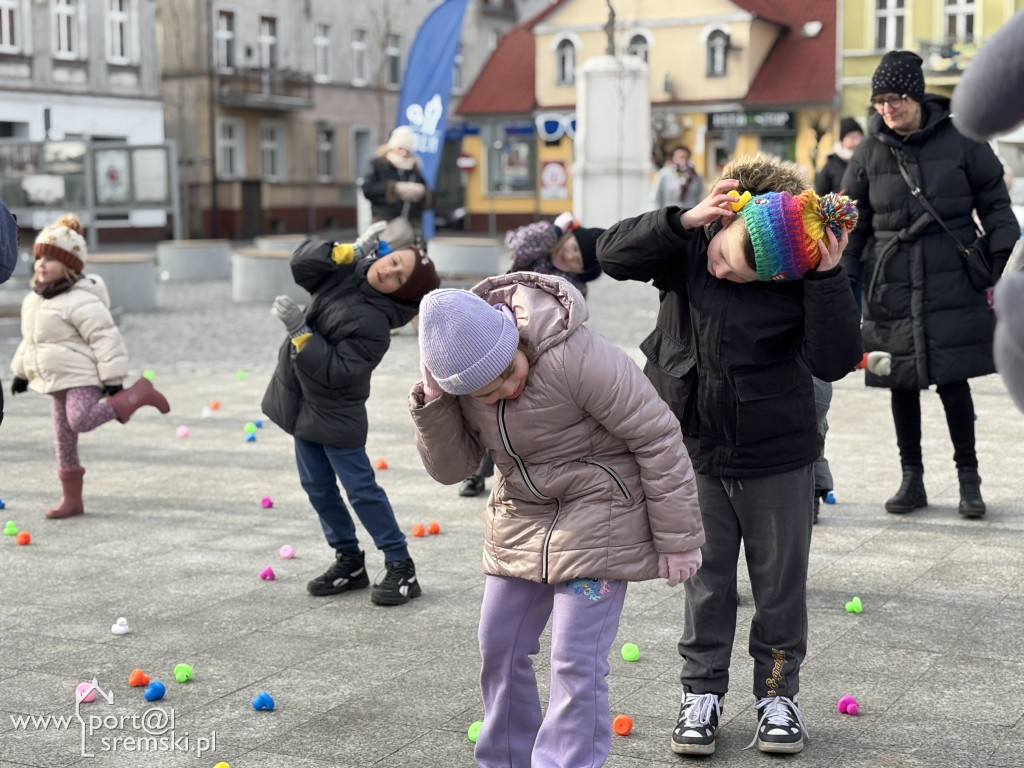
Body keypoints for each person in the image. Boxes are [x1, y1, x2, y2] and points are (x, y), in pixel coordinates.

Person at [597, 154, 862, 756]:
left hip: (777, 456)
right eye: (724, 258)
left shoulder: (800, 272)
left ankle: (776, 695)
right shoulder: (693, 245)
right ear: (725, 221)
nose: (723, 274)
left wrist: (825, 280)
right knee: (706, 584)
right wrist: (683, 220)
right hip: (694, 450)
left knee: (778, 588)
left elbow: (835, 359)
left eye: (743, 275)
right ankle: (701, 694)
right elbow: (611, 255)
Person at [409, 274, 705, 768]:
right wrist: (436, 404)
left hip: (599, 515)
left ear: (513, 337)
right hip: (521, 518)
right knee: (499, 646)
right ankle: (503, 759)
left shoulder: (576, 355)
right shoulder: (458, 387)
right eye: (489, 392)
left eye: (509, 370)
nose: (509, 387)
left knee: (574, 660)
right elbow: (453, 470)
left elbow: (657, 436)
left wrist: (678, 538)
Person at [840, 50, 1020, 518]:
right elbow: (850, 226)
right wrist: (841, 284)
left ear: (916, 96)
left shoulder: (963, 137)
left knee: (953, 380)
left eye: (894, 98)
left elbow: (997, 206)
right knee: (899, 381)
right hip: (891, 281)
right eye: (878, 101)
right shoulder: (869, 151)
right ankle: (911, 479)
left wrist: (1003, 263)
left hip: (950, 276)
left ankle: (969, 480)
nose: (886, 109)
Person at [261, 225, 440, 606]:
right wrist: (348, 252)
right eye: (393, 261)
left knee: (360, 490)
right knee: (318, 488)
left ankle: (400, 565)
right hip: (303, 404)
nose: (389, 271)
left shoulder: (376, 326)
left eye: (400, 277)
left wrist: (300, 331)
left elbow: (338, 370)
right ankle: (349, 561)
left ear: (404, 293)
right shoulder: (349, 271)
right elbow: (302, 263)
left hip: (335, 413)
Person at [9, 214, 171, 519]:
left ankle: (137, 395)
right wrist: (20, 372)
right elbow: (30, 340)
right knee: (63, 437)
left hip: (82, 376)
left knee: (80, 420)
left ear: (70, 265)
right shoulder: (34, 300)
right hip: (55, 378)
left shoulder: (81, 299)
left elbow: (105, 337)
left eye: (51, 259)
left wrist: (113, 381)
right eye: (39, 257)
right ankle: (72, 500)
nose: (41, 264)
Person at [457, 210, 605, 498]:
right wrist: (553, 231)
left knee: (515, 415)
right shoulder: (535, 255)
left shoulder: (574, 286)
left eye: (576, 261)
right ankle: (476, 473)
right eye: (572, 248)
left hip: (535, 355)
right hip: (497, 338)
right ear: (568, 236)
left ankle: (516, 475)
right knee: (486, 408)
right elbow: (516, 243)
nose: (569, 256)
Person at [809, 117, 863, 522]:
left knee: (814, 410)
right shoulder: (831, 163)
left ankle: (815, 485)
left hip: (836, 249)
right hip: (828, 244)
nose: (852, 140)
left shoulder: (862, 159)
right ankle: (815, 484)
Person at [362, 126, 432, 248]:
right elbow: (368, 190)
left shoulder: (415, 169)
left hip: (412, 226)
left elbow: (431, 200)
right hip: (386, 225)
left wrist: (422, 193)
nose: (404, 153)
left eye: (408, 150)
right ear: (392, 147)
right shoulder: (378, 165)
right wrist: (394, 189)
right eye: (400, 148)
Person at [814, 117, 862, 196]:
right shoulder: (832, 163)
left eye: (859, 137)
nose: (857, 141)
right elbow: (820, 190)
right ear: (842, 139)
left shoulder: (866, 160)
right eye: (852, 137)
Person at [650, 145, 704, 210]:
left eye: (686, 157)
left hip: (690, 215)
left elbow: (700, 198)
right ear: (673, 158)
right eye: (680, 157)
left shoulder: (696, 177)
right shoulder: (664, 175)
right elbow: (655, 198)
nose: (683, 160)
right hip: (668, 216)